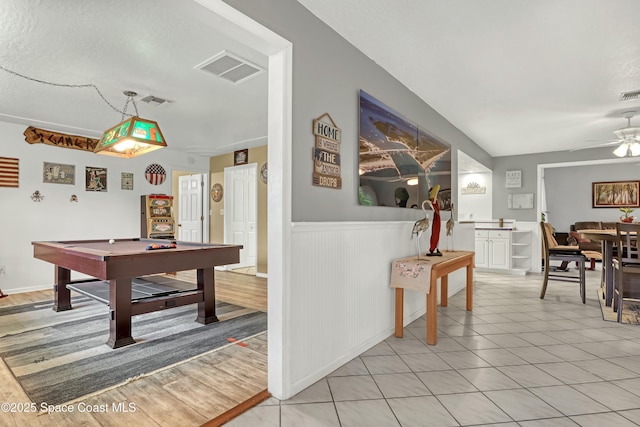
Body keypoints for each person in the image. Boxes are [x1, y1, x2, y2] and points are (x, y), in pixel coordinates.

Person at [427, 184, 442, 256]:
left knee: (437, 232)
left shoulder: (434, 201)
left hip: (437, 216)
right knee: (435, 231)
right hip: (437, 216)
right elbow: (434, 195)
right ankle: (433, 247)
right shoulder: (433, 201)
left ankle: (436, 247)